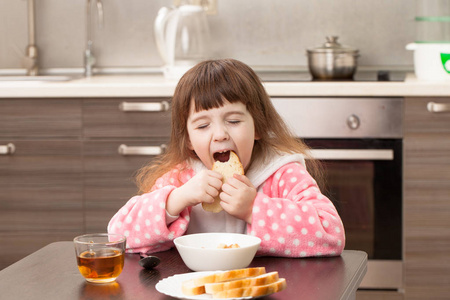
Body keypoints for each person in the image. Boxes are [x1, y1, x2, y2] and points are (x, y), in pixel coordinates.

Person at [108, 58, 345, 257]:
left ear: (258, 127)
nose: (220, 134)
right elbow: (118, 236)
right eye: (202, 126)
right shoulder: (181, 179)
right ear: (188, 139)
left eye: (233, 121)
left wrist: (254, 208)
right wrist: (176, 200)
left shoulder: (282, 174)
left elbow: (331, 233)